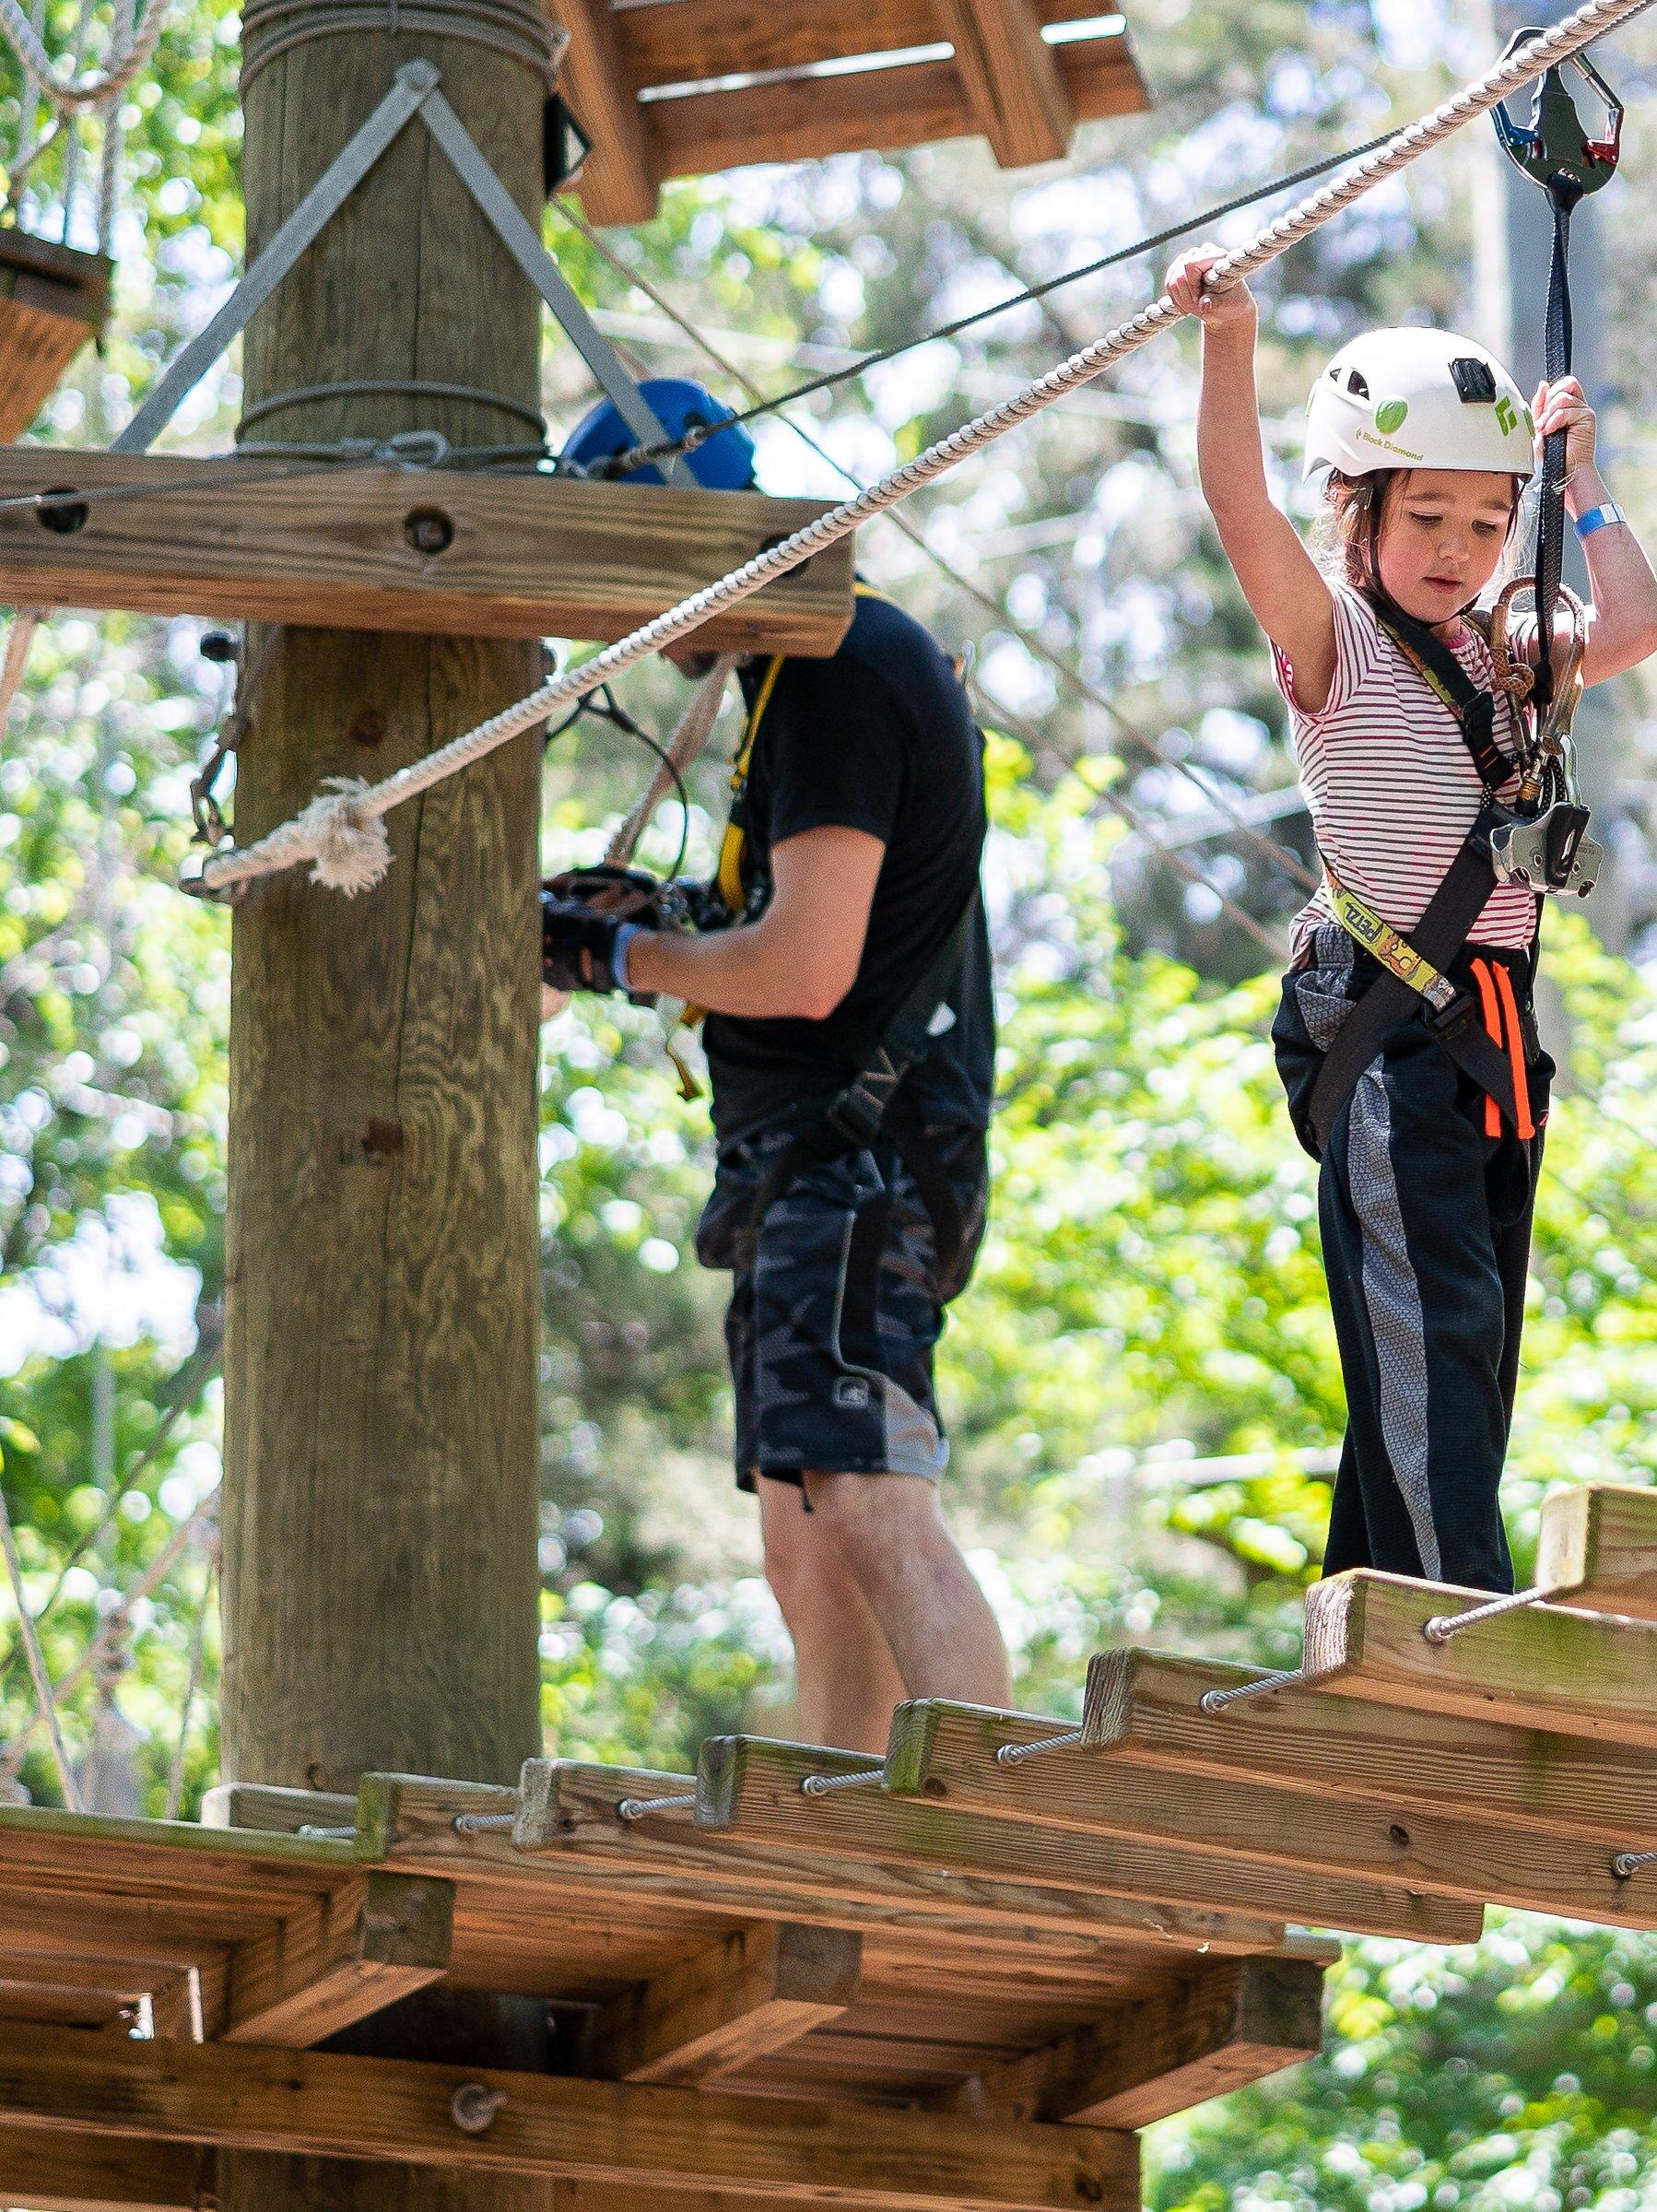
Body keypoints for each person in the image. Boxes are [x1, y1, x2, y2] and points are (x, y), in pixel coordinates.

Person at [1165, 248, 1657, 1594]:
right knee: (1431, 1324)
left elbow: (1635, 621)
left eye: (1487, 524)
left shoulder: (1515, 654)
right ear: (1358, 512)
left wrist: (1584, 483)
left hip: (1496, 1038)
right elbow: (1232, 498)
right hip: (1385, 1021)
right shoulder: (1334, 646)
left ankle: (1368, 1599)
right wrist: (1232, 340)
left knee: (1464, 1340)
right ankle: (1460, 1612)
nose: (1457, 551)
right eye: (1426, 517)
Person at [538, 379, 1013, 1751]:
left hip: (855, 1161)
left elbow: (805, 969)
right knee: (811, 1543)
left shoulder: (835, 665)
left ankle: (1014, 1833)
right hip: (822, 1164)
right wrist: (666, 925)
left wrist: (619, 961)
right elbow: (821, 937)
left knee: (870, 1503)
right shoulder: (805, 674)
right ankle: (840, 1840)